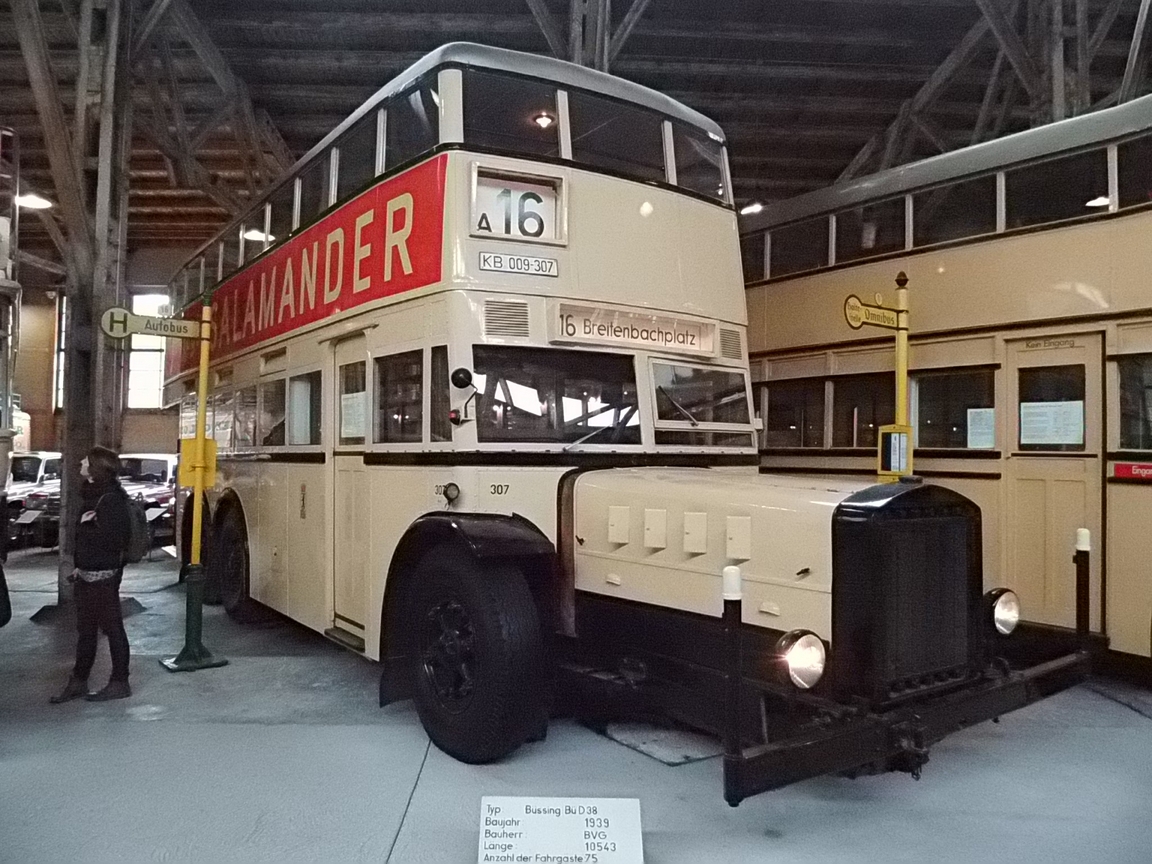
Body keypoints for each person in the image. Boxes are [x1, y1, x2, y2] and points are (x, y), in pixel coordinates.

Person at [50, 446, 133, 703]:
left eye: (86, 461)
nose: (81, 463)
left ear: (98, 468)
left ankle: (120, 682)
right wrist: (80, 565)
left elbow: (114, 539)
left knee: (112, 628)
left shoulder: (111, 499)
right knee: (86, 630)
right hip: (87, 574)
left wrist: (89, 525)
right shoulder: (93, 494)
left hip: (103, 576)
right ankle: (78, 681)